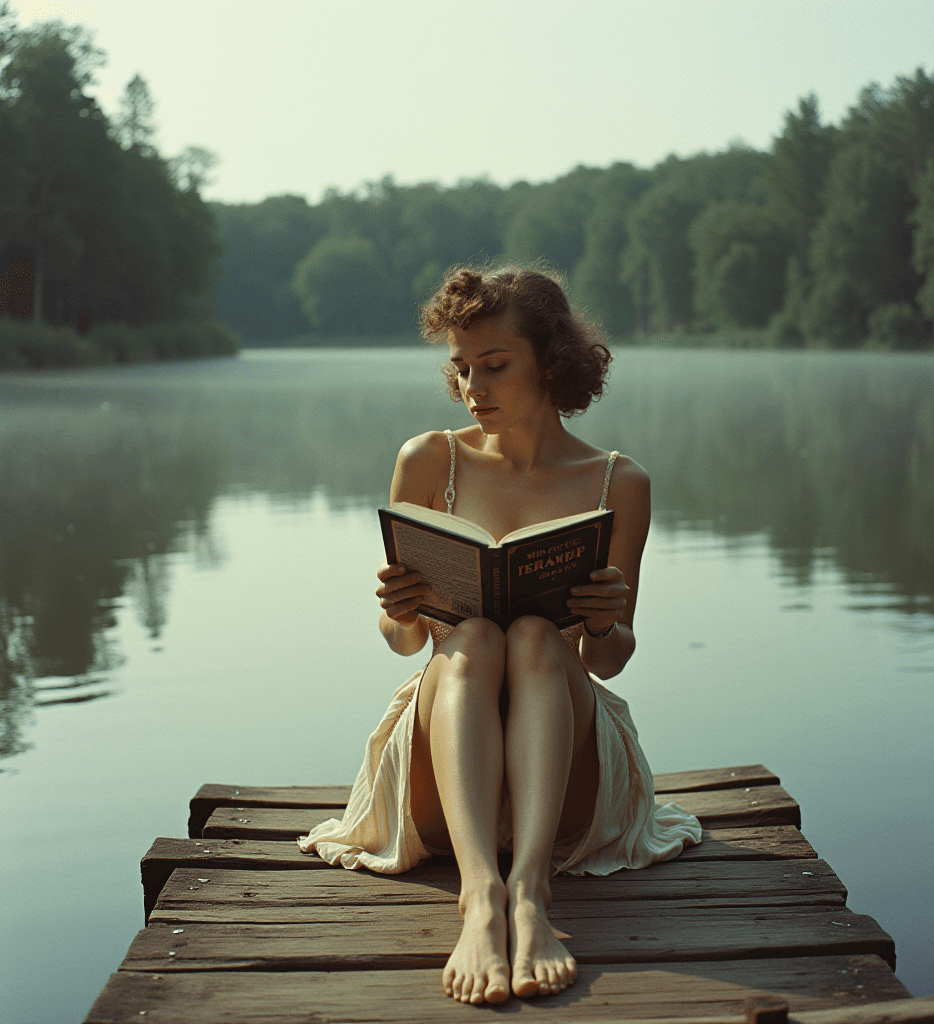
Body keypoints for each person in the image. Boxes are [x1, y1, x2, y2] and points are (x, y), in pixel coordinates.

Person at [298, 265, 701, 1005]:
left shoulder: (620, 483)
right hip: (445, 766)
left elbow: (607, 661)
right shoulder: (428, 460)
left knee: (539, 641)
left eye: (494, 365)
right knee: (476, 638)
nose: (472, 386)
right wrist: (399, 608)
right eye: (460, 369)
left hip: (567, 775)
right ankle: (480, 895)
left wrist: (606, 620)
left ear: (551, 361)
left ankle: (531, 891)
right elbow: (403, 644)